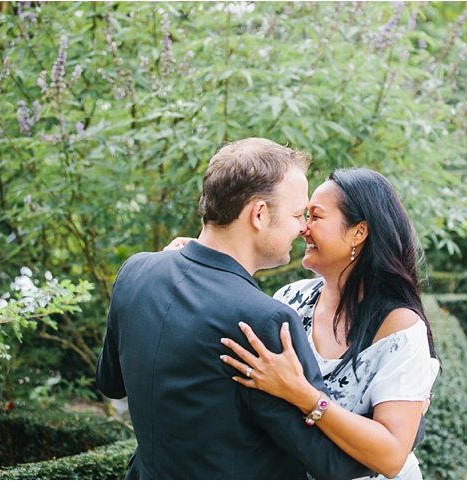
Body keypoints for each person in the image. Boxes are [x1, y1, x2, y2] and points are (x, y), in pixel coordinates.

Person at [95, 138, 374, 479]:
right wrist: (406, 425)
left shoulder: (136, 272)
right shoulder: (264, 321)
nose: (304, 228)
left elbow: (110, 384)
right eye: (297, 214)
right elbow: (329, 462)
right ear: (259, 214)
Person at [217, 168, 440, 479]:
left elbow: (390, 455)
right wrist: (199, 263)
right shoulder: (290, 300)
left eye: (316, 217)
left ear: (358, 232)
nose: (302, 229)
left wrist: (302, 394)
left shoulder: (398, 328)